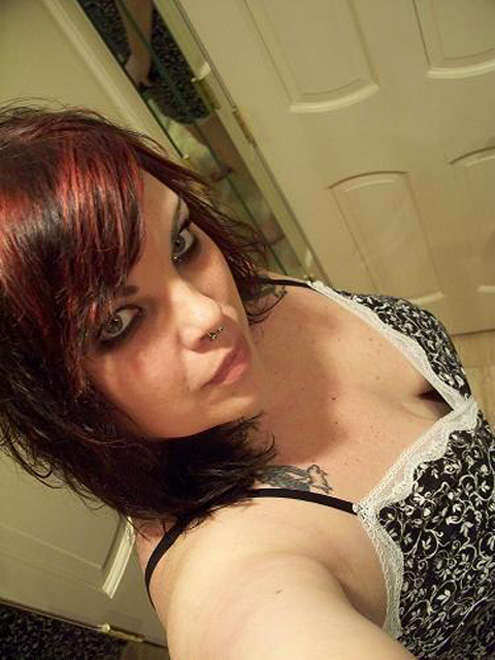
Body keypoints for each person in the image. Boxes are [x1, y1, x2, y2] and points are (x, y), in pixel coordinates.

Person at [0, 104, 493, 660]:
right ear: (52, 395)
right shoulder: (231, 569)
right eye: (118, 322)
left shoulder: (231, 294)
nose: (211, 313)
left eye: (181, 244)